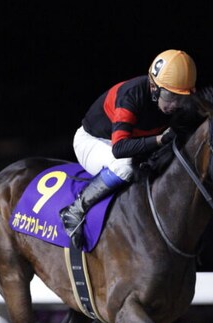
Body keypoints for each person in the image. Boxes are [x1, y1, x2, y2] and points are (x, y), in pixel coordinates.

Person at [60, 49, 197, 249]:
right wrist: (159, 140)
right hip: (94, 141)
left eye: (181, 97)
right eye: (169, 95)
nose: (174, 104)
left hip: (132, 143)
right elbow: (120, 149)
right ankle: (75, 210)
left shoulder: (175, 103)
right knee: (125, 167)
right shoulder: (131, 96)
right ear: (153, 86)